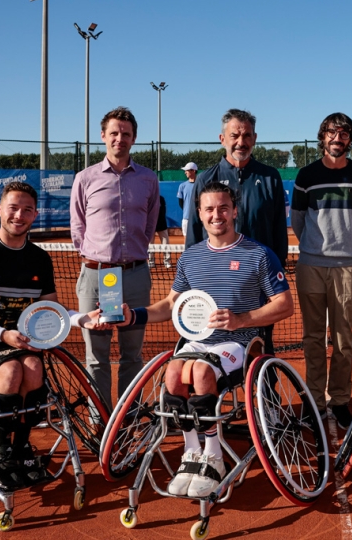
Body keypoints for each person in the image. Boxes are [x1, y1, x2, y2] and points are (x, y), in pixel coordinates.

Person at [115, 182, 293, 498]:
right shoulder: (190, 258)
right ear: (199, 214)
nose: (216, 215)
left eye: (223, 208)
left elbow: (284, 304)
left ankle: (214, 456)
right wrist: (135, 315)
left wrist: (242, 319)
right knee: (172, 373)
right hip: (199, 342)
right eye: (209, 209)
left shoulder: (259, 255)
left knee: (200, 373)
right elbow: (171, 305)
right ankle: (191, 452)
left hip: (240, 343)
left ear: (235, 211)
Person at [0, 182, 100, 490]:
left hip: (19, 340)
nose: (19, 215)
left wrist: (81, 318)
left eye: (27, 210)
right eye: (13, 208)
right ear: (0, 210)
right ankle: (2, 454)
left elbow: (50, 308)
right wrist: (2, 334)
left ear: (35, 215)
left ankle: (22, 448)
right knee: (13, 369)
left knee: (33, 369)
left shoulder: (39, 259)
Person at [70, 106, 160, 409]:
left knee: (132, 355)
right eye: (114, 133)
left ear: (133, 139)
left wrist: (129, 256)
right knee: (96, 357)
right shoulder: (85, 178)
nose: (119, 138)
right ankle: (100, 422)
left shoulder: (148, 179)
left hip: (134, 276)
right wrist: (101, 258)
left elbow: (149, 225)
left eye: (126, 134)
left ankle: (127, 419)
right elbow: (78, 228)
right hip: (97, 277)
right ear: (103, 136)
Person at [291, 112, 352, 428]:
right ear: (322, 136)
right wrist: (315, 246)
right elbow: (298, 220)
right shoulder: (306, 175)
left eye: (343, 134)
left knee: (342, 340)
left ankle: (339, 401)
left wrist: (347, 248)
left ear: (350, 140)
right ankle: (314, 401)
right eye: (331, 132)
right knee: (313, 338)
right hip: (310, 265)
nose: (337, 138)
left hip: (345, 269)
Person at [185, 109, 288, 265]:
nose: (241, 142)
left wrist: (277, 266)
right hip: (216, 270)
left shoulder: (270, 177)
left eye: (247, 135)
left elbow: (279, 229)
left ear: (254, 139)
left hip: (260, 271)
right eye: (234, 136)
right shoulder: (205, 179)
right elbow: (194, 229)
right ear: (222, 139)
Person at [177, 162, 198, 235]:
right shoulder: (182, 186)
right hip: (186, 218)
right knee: (186, 241)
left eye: (187, 170)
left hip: (199, 218)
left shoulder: (201, 185)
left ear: (193, 171)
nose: (185, 172)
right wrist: (188, 212)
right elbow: (181, 202)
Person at [151, 195, 172, 268]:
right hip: (150, 225)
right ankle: (151, 261)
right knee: (150, 244)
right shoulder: (147, 198)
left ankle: (167, 261)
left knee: (165, 243)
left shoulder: (161, 198)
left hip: (162, 224)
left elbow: (163, 212)